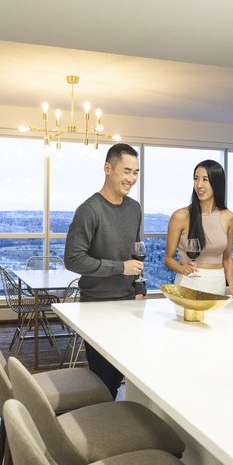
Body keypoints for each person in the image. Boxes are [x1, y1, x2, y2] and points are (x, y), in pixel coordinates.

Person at [64, 143, 145, 398]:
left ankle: (115, 419)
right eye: (126, 171)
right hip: (96, 306)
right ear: (108, 169)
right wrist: (120, 268)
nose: (131, 178)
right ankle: (98, 421)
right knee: (103, 382)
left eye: (136, 172)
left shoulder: (134, 209)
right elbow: (73, 260)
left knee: (124, 375)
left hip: (128, 305)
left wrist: (140, 287)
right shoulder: (89, 210)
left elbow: (137, 253)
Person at [164, 160, 233, 297]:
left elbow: (227, 258)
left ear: (217, 183)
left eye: (205, 180)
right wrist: (182, 269)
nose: (199, 184)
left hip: (218, 283)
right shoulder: (180, 216)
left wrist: (232, 287)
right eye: (196, 178)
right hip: (189, 283)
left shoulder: (228, 216)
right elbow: (168, 259)